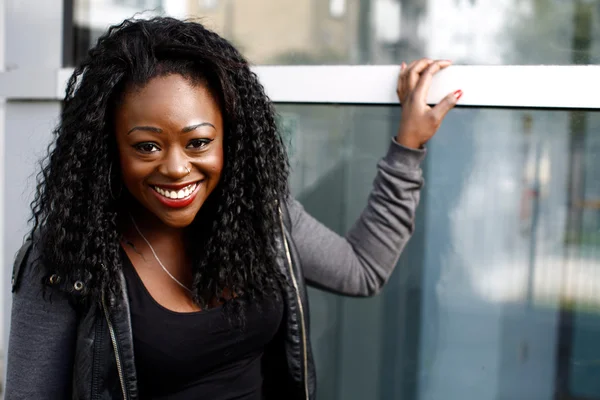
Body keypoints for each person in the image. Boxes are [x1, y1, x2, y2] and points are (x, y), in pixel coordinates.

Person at [5, 17, 461, 400]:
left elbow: (362, 269)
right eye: (146, 146)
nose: (177, 168)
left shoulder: (260, 216)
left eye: (198, 142)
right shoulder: (68, 255)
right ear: (110, 150)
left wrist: (408, 147)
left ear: (229, 138)